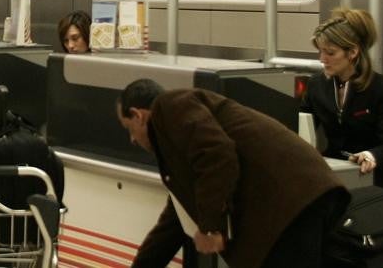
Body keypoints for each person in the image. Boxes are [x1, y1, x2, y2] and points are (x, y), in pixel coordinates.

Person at [117, 79, 350, 268]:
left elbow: (218, 155)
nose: (132, 140)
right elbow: (175, 220)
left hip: (293, 202)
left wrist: (211, 227)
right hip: (302, 199)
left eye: (129, 130)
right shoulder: (177, 140)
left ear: (138, 115)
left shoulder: (170, 105)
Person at [301, 7, 383, 187]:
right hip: (331, 171)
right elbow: (300, 127)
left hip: (368, 176)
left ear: (352, 53)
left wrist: (370, 155)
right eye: (320, 51)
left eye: (330, 53)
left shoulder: (382, 89)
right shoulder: (316, 85)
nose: (322, 59)